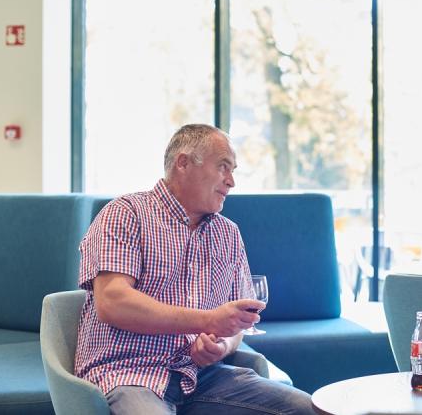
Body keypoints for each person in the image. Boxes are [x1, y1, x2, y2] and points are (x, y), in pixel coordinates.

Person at [74, 124, 314, 415]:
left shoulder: (228, 233)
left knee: (307, 409)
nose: (231, 181)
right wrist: (208, 320)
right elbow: (112, 302)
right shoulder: (125, 213)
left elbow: (236, 325)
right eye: (223, 167)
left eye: (233, 170)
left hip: (201, 377)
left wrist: (222, 345)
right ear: (183, 163)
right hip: (128, 373)